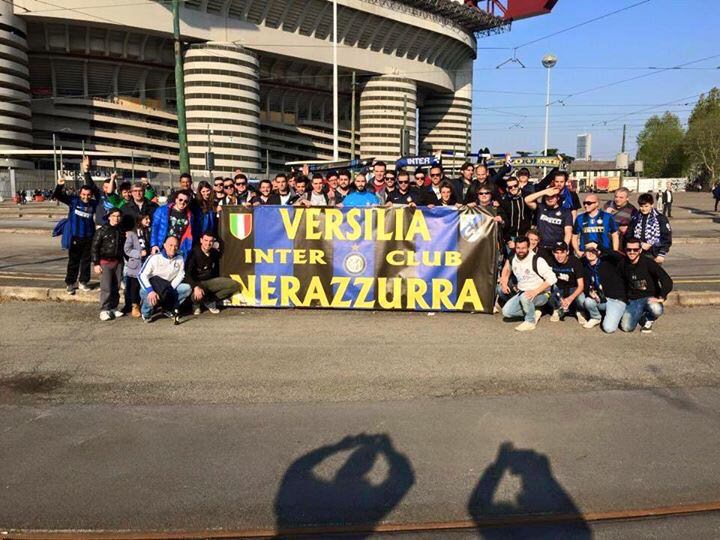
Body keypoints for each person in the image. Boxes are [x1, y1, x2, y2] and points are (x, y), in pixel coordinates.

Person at [54, 156, 100, 294]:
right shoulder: (74, 201)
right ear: (80, 194)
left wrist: (86, 171)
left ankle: (83, 282)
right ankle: (70, 283)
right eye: (84, 194)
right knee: (73, 261)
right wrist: (60, 185)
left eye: (88, 194)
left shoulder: (93, 203)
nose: (86, 197)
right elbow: (58, 195)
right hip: (75, 236)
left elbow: (96, 191)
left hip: (89, 237)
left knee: (86, 262)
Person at [500, 236, 557, 331]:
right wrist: (504, 283)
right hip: (523, 292)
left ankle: (530, 321)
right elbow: (507, 269)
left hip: (541, 294)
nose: (520, 251)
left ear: (528, 247)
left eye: (523, 248)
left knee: (525, 297)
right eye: (518, 248)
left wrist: (535, 291)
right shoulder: (513, 259)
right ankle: (533, 311)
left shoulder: (537, 260)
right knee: (506, 312)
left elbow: (552, 278)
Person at [619, 237, 674, 333]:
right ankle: (641, 314)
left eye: (635, 249)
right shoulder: (623, 263)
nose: (632, 252)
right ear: (625, 250)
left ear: (640, 250)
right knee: (626, 327)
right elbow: (620, 282)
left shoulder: (648, 263)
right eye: (629, 250)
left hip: (649, 297)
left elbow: (666, 280)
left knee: (656, 309)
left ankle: (649, 317)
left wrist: (662, 296)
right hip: (633, 300)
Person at [185, 232, 241, 315]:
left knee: (234, 285)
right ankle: (196, 304)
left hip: (210, 282)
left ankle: (209, 301)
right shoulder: (193, 253)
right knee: (196, 294)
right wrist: (195, 287)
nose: (208, 243)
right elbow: (187, 273)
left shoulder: (214, 253)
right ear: (201, 240)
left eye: (211, 241)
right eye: (206, 240)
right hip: (198, 283)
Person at [138, 236, 191, 324]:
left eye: (175, 246)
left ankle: (167, 308)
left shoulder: (180, 258)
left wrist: (170, 288)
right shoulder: (154, 258)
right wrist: (150, 291)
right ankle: (146, 313)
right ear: (164, 245)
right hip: (153, 287)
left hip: (168, 286)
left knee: (186, 288)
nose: (173, 248)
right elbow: (141, 275)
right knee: (144, 292)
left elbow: (181, 275)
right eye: (170, 245)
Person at [581, 242, 627, 333]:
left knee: (609, 329)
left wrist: (598, 245)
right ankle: (596, 317)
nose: (590, 253)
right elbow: (585, 284)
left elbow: (620, 257)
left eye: (593, 251)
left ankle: (620, 313)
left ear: (599, 252)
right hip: (602, 299)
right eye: (588, 251)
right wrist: (590, 292)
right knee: (588, 301)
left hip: (616, 299)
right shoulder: (586, 266)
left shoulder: (608, 261)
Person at [91, 207, 125, 321]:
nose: (116, 218)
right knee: (106, 287)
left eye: (118, 216)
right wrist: (96, 263)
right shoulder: (102, 230)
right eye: (114, 216)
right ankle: (104, 309)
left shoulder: (121, 231)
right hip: (105, 262)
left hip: (118, 262)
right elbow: (95, 247)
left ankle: (113, 307)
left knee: (116, 285)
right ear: (109, 217)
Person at [150, 189, 196, 260]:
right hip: (162, 246)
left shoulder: (190, 215)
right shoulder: (162, 210)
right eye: (180, 200)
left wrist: (185, 249)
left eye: (185, 201)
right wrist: (154, 244)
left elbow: (188, 234)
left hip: (178, 249)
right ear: (176, 199)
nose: (182, 202)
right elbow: (154, 228)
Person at [626, 193, 672, 263]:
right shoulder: (635, 217)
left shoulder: (660, 218)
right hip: (637, 252)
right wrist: (640, 244)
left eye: (646, 206)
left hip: (654, 253)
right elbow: (629, 235)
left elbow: (667, 238)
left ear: (652, 205)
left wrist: (661, 254)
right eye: (641, 206)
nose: (643, 209)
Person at [547, 241, 586, 324]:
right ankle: (557, 308)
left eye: (562, 252)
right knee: (548, 296)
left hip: (573, 289)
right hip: (558, 289)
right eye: (556, 253)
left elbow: (581, 286)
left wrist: (570, 299)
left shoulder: (575, 262)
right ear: (553, 253)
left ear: (567, 252)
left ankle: (579, 311)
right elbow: (547, 281)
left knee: (582, 300)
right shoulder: (550, 262)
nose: (559, 256)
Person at [124, 212, 151, 318]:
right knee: (134, 287)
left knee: (144, 286)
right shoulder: (132, 234)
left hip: (146, 264)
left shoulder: (149, 232)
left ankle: (145, 305)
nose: (149, 221)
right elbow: (127, 249)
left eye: (149, 219)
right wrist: (138, 254)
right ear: (140, 220)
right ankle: (135, 306)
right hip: (136, 265)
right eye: (146, 219)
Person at [499, 177, 532, 251]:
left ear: (519, 185)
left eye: (515, 186)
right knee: (511, 260)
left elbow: (536, 212)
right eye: (510, 187)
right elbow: (504, 222)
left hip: (525, 236)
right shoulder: (505, 201)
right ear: (507, 188)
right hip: (511, 237)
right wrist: (508, 240)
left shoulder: (527, 196)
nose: (513, 188)